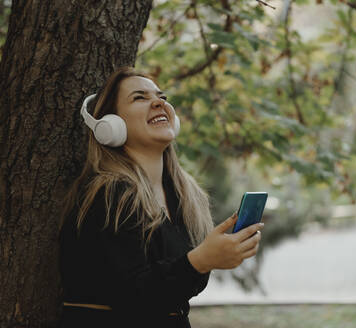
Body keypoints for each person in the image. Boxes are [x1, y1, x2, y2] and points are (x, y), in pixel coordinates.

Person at [58, 67, 264, 328]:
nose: (159, 102)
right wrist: (202, 260)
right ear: (111, 126)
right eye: (139, 97)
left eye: (162, 97)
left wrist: (213, 256)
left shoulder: (184, 196)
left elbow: (180, 287)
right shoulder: (108, 194)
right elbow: (133, 297)